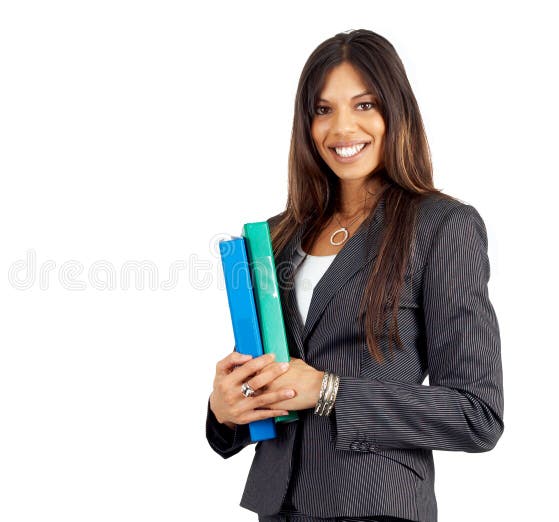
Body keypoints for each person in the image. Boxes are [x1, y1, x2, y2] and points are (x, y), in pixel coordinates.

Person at [206, 29, 504, 522]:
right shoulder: (278, 236)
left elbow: (477, 415)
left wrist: (329, 391)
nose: (342, 128)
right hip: (278, 506)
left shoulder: (443, 227)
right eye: (323, 110)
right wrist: (225, 408)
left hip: (376, 505)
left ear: (395, 113)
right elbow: (275, 378)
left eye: (364, 105)